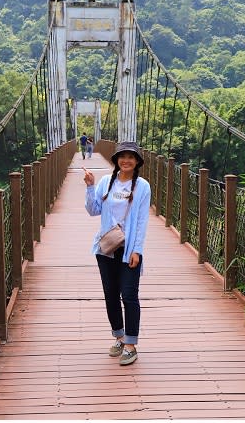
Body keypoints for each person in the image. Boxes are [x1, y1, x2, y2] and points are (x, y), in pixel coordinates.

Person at [83, 141, 150, 366]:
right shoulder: (105, 182)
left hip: (128, 249)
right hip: (106, 249)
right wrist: (90, 186)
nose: (126, 160)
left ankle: (131, 345)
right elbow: (93, 210)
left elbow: (141, 222)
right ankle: (119, 338)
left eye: (131, 157)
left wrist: (137, 251)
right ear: (116, 160)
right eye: (122, 156)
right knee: (111, 295)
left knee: (129, 295)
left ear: (138, 161)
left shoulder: (142, 186)